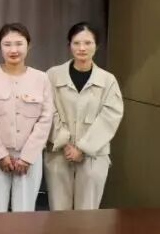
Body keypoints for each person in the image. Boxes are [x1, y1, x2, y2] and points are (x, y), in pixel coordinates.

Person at [45, 22, 124, 210]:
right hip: (59, 153)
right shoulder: (53, 75)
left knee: (88, 214)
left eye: (88, 43)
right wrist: (64, 141)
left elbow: (110, 116)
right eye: (76, 43)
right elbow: (46, 110)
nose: (82, 48)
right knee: (59, 211)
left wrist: (83, 148)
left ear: (97, 46)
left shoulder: (107, 80)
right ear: (69, 45)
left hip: (93, 156)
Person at [0, 23, 55, 212]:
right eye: (7, 44)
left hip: (29, 157)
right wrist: (0, 155)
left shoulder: (41, 78)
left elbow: (46, 118)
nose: (13, 50)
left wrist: (27, 157)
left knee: (25, 213)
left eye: (19, 44)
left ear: (29, 45)